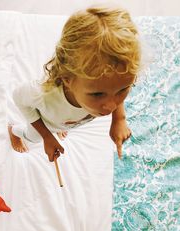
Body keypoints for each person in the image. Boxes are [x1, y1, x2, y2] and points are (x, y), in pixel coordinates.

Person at [9, 5, 140, 162]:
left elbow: (113, 87)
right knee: (33, 137)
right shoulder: (43, 94)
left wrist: (119, 119)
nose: (111, 106)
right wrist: (46, 136)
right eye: (97, 94)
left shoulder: (105, 89)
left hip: (64, 122)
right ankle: (14, 131)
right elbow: (18, 98)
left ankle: (61, 127)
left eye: (123, 89)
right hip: (45, 123)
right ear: (67, 79)